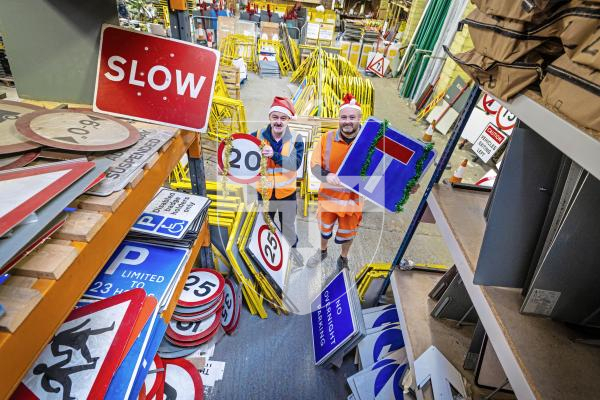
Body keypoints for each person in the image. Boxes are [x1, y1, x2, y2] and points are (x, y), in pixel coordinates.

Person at [307, 93, 364, 271]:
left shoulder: (368, 142)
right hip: (329, 199)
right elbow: (314, 165)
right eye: (344, 117)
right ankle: (322, 251)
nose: (347, 121)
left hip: (352, 202)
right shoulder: (327, 138)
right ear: (339, 118)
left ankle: (343, 257)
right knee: (324, 229)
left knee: (349, 232)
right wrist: (326, 176)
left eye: (352, 117)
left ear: (359, 118)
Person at [252, 96, 305, 266]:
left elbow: (294, 164)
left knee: (288, 227)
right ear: (270, 118)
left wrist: (273, 155)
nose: (279, 122)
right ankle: (268, 257)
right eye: (275, 117)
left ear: (288, 119)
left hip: (286, 194)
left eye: (283, 118)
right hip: (264, 194)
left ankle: (292, 251)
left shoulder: (296, 139)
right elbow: (240, 153)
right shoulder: (257, 136)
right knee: (265, 225)